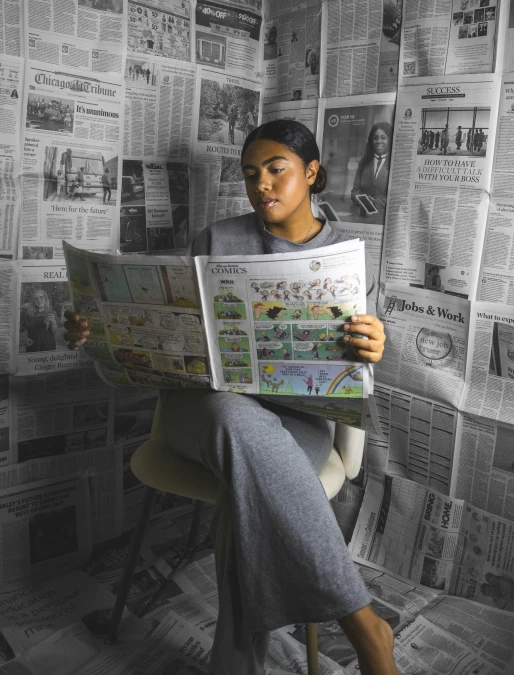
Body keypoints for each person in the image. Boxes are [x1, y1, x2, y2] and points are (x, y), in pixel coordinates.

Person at [64, 119, 396, 675]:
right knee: (229, 410)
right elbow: (176, 343)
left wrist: (372, 344)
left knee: (248, 496)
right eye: (250, 174)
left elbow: (351, 366)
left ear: (311, 173)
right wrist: (96, 333)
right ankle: (364, 625)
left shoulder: (347, 255)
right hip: (201, 412)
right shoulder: (217, 240)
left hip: (300, 422)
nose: (261, 184)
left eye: (275, 170)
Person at [351, 121, 393, 217]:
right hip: (362, 216)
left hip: (384, 218)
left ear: (390, 140)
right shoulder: (363, 162)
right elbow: (355, 191)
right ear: (371, 140)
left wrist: (374, 203)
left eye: (383, 138)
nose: (378, 141)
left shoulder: (395, 163)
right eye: (375, 138)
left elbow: (397, 199)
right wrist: (361, 200)